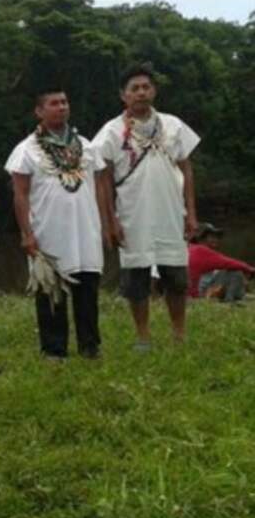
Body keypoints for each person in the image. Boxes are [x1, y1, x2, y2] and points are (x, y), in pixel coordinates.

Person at [93, 63, 200, 349]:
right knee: (136, 277)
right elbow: (102, 180)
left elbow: (186, 170)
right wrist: (110, 221)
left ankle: (179, 333)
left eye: (146, 87)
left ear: (154, 90)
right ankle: (143, 336)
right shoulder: (111, 131)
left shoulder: (173, 125)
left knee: (176, 275)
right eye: (134, 89)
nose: (141, 93)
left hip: (170, 212)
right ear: (123, 95)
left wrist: (191, 213)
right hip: (132, 215)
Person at [6, 89, 106, 359]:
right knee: (51, 289)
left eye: (64, 102)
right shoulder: (26, 149)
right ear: (39, 111)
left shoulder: (85, 144)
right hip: (48, 230)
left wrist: (105, 224)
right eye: (53, 103)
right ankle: (54, 349)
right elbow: (21, 195)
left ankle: (90, 346)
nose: (61, 107)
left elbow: (99, 186)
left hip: (85, 228)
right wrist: (27, 233)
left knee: (87, 288)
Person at [188, 223, 253, 301]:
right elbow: (230, 263)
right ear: (200, 239)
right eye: (211, 236)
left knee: (226, 272)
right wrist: (250, 270)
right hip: (197, 294)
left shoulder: (189, 248)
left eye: (216, 236)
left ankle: (239, 296)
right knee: (236, 272)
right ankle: (230, 301)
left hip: (188, 293)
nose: (215, 239)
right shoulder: (201, 250)